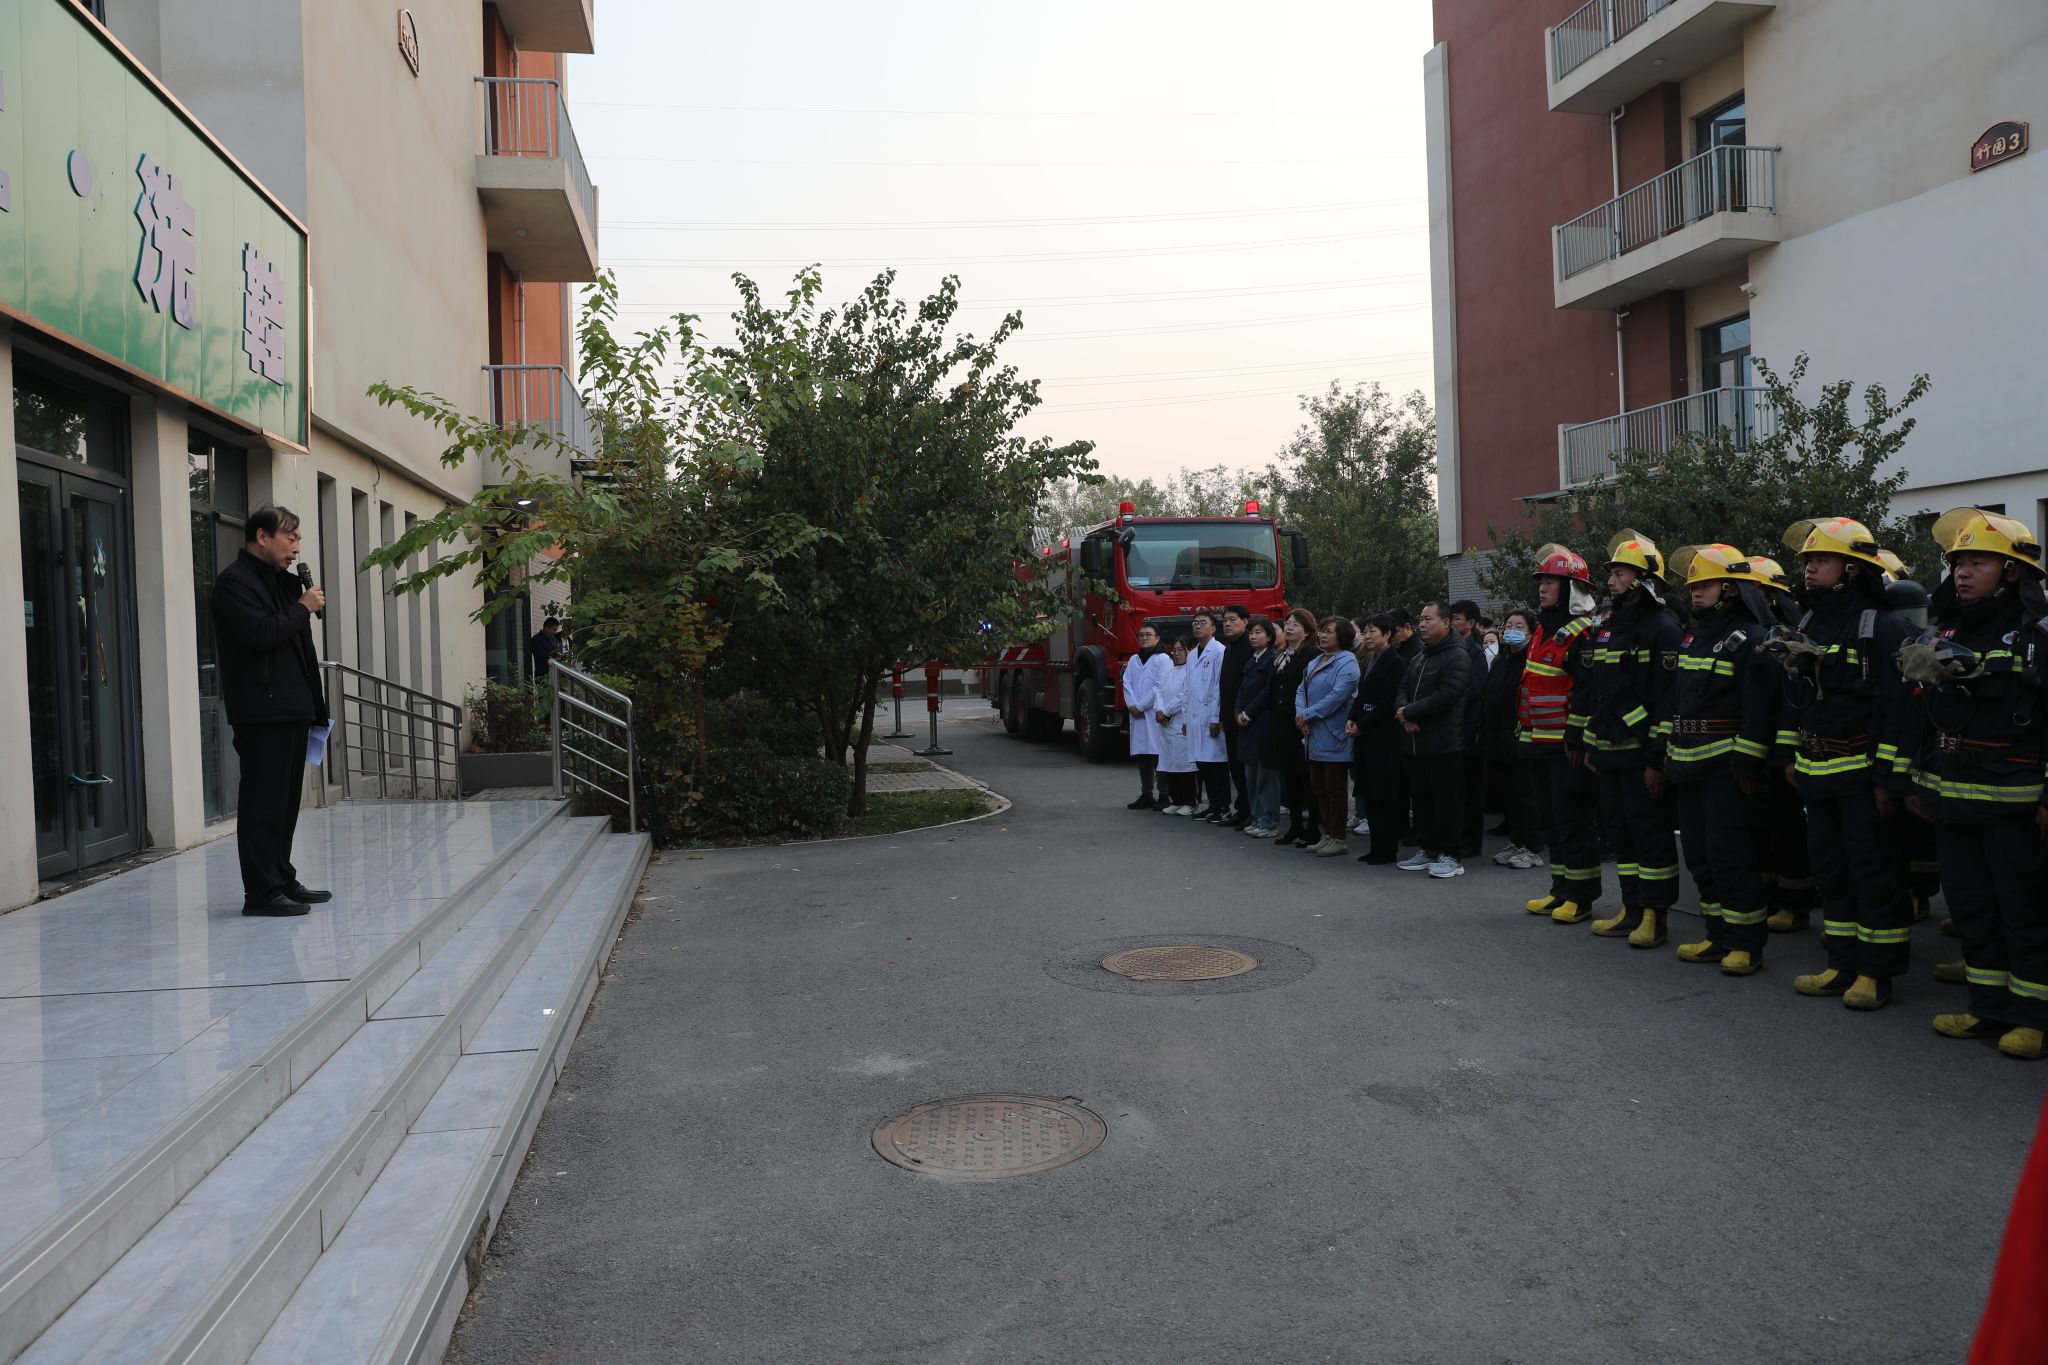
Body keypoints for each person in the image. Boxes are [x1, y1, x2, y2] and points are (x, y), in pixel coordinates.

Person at [1910, 508, 2047, 1060]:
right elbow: (1928, 719)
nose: (1962, 574)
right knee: (1970, 908)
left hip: (2015, 804)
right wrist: (1921, 783)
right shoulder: (1948, 629)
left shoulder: (2038, 634)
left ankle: (2033, 1019)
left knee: (2024, 912)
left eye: (1977, 563)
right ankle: (1987, 1008)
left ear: (2012, 571)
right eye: (1959, 563)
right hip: (1953, 799)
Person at [1778, 516, 1919, 1012]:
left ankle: (1875, 974)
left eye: (1821, 559)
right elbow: (1796, 696)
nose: (1810, 568)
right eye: (1808, 560)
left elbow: (1899, 711)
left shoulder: (1884, 626)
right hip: (1817, 774)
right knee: (1832, 873)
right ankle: (1841, 963)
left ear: (1853, 569)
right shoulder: (1809, 623)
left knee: (1873, 875)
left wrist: (1887, 780)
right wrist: (1793, 756)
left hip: (1861, 778)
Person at [1659, 545, 1778, 976]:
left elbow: (1760, 708)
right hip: (1688, 765)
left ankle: (1746, 943)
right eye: (1693, 585)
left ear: (1730, 589)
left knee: (1731, 855)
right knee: (1699, 855)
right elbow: (1677, 699)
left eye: (1705, 585)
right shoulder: (1694, 636)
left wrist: (1748, 763)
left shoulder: (1753, 638)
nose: (1695, 592)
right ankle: (1717, 934)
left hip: (1726, 771)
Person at [211, 505, 331, 917]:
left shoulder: (283, 583)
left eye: (298, 540)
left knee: (284, 804)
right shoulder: (234, 583)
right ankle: (261, 893)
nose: (296, 547)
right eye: (289, 538)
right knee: (263, 803)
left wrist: (314, 708)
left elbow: (298, 646)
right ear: (262, 537)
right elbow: (260, 634)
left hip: (292, 707)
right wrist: (302, 606)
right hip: (261, 712)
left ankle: (282, 878)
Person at [1570, 530, 1682, 944]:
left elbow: (1667, 699)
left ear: (1642, 579)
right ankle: (1631, 908)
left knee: (1649, 835)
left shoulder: (1662, 628)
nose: (1611, 581)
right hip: (1609, 752)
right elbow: (1598, 692)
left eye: (1620, 574)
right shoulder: (1608, 627)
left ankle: (1655, 916)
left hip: (1641, 756)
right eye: (1612, 573)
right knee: (1621, 835)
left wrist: (1657, 759)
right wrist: (1591, 743)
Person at [1518, 546, 1604, 921]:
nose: (1542, 588)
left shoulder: (1583, 633)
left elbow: (1586, 692)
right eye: (1541, 581)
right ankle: (1559, 889)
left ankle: (1580, 897)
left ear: (1571, 588)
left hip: (1567, 748)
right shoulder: (1544, 629)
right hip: (1540, 744)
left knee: (1574, 822)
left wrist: (1577, 740)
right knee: (1550, 822)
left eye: (1551, 581)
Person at [1742, 554, 1823, 938]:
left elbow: (1792, 701)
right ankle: (1770, 897)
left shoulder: (1790, 634)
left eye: (1755, 590)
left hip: (1782, 748)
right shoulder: (1753, 633)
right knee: (1760, 828)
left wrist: (1784, 755)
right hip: (1757, 743)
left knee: (1786, 828)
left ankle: (1796, 903)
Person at [1394, 600, 1472, 878]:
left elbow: (1448, 695)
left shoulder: (1457, 656)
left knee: (1446, 803)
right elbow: (1403, 688)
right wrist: (1403, 713)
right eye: (1421, 619)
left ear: (1446, 623)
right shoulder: (1421, 656)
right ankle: (1428, 849)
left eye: (1429, 619)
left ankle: (1452, 855)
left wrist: (1410, 712)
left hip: (1444, 743)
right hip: (1416, 744)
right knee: (1422, 801)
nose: (1423, 625)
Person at [1482, 608, 1542, 870]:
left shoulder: (1532, 660)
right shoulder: (1501, 660)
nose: (1511, 631)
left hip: (1521, 734)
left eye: (1519, 626)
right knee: (1509, 793)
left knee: (1526, 793)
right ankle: (1517, 842)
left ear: (1530, 633)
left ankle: (1532, 847)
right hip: (1498, 735)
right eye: (1508, 626)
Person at [1295, 616, 1361, 856]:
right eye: (1322, 631)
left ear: (1342, 636)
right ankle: (1328, 835)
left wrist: (1307, 714)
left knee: (1335, 789)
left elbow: (1337, 696)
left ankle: (1339, 838)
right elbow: (1301, 689)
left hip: (1334, 734)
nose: (1323, 635)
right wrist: (1301, 714)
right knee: (1319, 789)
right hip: (1313, 734)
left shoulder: (1347, 662)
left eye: (1329, 631)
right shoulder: (1316, 660)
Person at [1350, 612, 1409, 865]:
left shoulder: (1395, 662)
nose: (1367, 635)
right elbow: (1361, 695)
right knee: (1370, 793)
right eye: (1365, 631)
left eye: (1372, 631)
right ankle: (1376, 847)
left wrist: (1361, 725)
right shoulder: (1371, 659)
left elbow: (1387, 702)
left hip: (1384, 737)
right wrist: (1353, 718)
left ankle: (1387, 848)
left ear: (1387, 634)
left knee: (1384, 794)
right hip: (1366, 734)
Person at [1268, 608, 1319, 848]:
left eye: (1295, 625)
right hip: (1281, 722)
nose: (1289, 628)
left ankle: (1313, 828)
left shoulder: (1312, 655)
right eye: (1287, 623)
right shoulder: (1281, 655)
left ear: (1307, 631)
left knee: (1305, 777)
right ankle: (1295, 825)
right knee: (1289, 776)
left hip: (1301, 721)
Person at [1450, 599, 1491, 858]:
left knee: (1470, 792)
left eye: (1457, 618)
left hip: (1468, 730)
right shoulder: (1451, 650)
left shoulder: (1475, 653)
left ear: (1471, 623)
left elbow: (1473, 691)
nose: (1452, 623)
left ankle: (1471, 842)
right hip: (1453, 731)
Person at [1235, 619, 1282, 836]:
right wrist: (1238, 712)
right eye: (1251, 633)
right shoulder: (1252, 659)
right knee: (1251, 775)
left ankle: (1269, 820)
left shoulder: (1272, 659)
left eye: (1258, 632)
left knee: (1266, 776)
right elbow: (1242, 690)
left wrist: (1248, 713)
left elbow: (1267, 692)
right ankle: (1256, 817)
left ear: (1270, 636)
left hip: (1263, 722)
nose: (1253, 636)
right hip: (1247, 725)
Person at [1186, 611, 1230, 821]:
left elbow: (1219, 686)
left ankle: (1223, 806)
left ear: (1213, 628)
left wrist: (1215, 718)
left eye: (1203, 623)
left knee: (1216, 764)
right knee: (1203, 763)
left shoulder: (1219, 651)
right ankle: (1213, 804)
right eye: (1195, 622)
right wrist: (1186, 719)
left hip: (1210, 716)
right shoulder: (1192, 654)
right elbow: (1188, 689)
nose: (1198, 626)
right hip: (1195, 717)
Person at [1122, 624, 1169, 810]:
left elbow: (1160, 686)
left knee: (1158, 755)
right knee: (1142, 755)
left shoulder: (1163, 659)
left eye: (1148, 634)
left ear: (1157, 637)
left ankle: (1164, 794)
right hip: (1137, 715)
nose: (1144, 638)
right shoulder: (1134, 659)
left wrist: (1140, 706)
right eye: (1141, 635)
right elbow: (1126, 683)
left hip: (1153, 713)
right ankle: (1146, 794)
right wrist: (1132, 705)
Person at [1217, 605, 1255, 827]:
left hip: (1245, 718)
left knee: (1245, 768)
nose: (1228, 624)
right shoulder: (1228, 648)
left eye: (1232, 620)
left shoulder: (1250, 648)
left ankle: (1251, 811)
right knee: (1235, 768)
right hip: (1230, 717)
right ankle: (1241, 809)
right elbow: (1225, 685)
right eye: (1225, 620)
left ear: (1245, 622)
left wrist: (1244, 712)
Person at [1153, 638, 1198, 814]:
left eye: (1181, 650)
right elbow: (1158, 691)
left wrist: (1166, 711)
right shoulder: (1169, 672)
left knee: (1184, 763)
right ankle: (1176, 799)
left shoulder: (1190, 671)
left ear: (1188, 651)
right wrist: (1159, 710)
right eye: (1175, 650)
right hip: (1165, 724)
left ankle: (1190, 801)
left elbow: (1184, 695)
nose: (1177, 654)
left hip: (1180, 722)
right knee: (1169, 763)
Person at [528, 616, 564, 681]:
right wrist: (555, 654)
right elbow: (539, 656)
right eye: (553, 629)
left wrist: (562, 655)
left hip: (556, 674)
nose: (555, 632)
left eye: (556, 630)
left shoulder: (555, 639)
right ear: (546, 627)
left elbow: (559, 652)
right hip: (543, 675)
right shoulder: (536, 639)